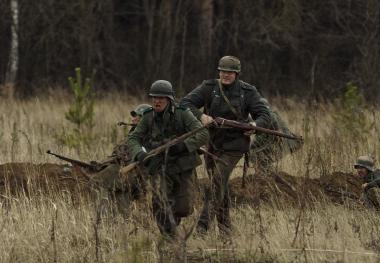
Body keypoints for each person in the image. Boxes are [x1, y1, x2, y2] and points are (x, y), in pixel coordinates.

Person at [180, 55, 270, 235]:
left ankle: (202, 227)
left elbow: (264, 115)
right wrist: (201, 116)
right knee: (220, 185)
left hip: (235, 144)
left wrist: (254, 125)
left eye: (230, 72)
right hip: (212, 143)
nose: (226, 75)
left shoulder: (248, 92)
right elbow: (185, 104)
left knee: (217, 181)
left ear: (237, 74)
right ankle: (226, 228)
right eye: (223, 71)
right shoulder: (209, 87)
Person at [127, 80, 209, 237]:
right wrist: (139, 153)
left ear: (169, 99)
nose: (157, 101)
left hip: (183, 165)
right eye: (154, 98)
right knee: (160, 202)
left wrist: (183, 146)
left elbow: (203, 134)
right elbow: (133, 138)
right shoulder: (148, 117)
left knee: (184, 208)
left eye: (161, 98)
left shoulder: (183, 113)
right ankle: (168, 236)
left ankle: (172, 223)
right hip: (160, 166)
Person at [90, 104, 151, 217]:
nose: (133, 118)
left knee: (97, 182)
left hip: (134, 173)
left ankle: (103, 217)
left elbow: (137, 157)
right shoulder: (135, 132)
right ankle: (120, 221)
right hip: (129, 173)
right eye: (134, 116)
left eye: (137, 116)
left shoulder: (147, 135)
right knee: (120, 194)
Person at [250, 98, 302, 175]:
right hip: (286, 143)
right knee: (258, 154)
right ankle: (265, 174)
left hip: (282, 143)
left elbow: (261, 138)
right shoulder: (272, 114)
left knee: (254, 154)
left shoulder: (268, 117)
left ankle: (268, 175)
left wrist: (249, 146)